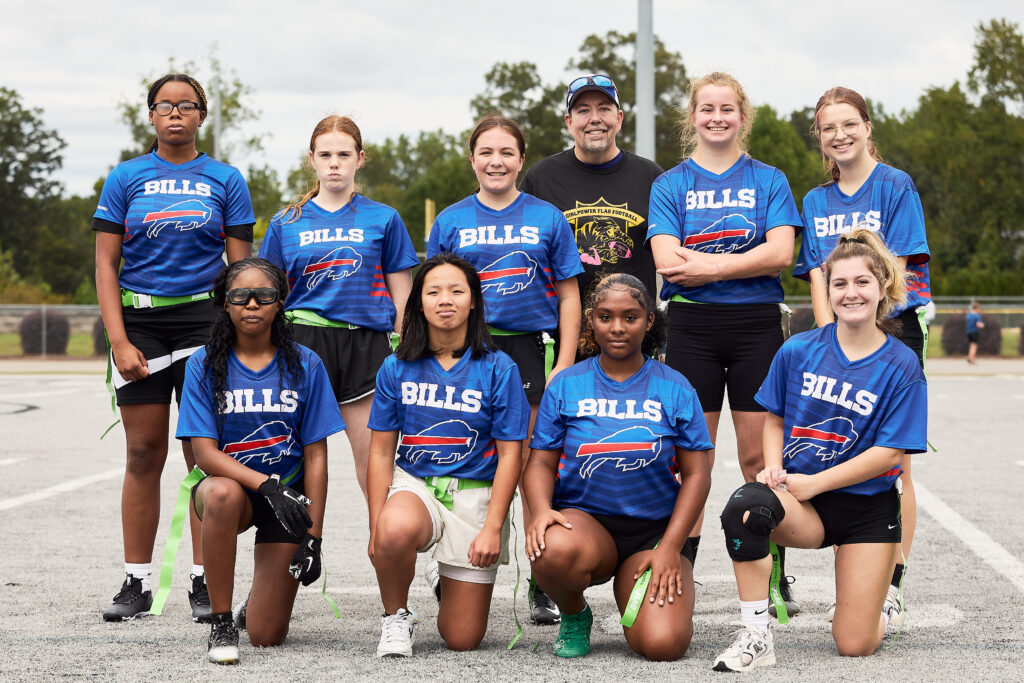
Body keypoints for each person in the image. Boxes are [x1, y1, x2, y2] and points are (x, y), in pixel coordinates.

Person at [711, 228, 927, 672]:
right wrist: (773, 467)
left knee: (854, 644)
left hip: (867, 509)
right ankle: (755, 633)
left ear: (882, 285)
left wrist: (814, 483)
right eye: (840, 284)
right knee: (745, 507)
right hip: (805, 506)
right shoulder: (799, 349)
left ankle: (880, 605)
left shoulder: (902, 363)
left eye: (862, 282)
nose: (851, 293)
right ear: (826, 290)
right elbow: (774, 418)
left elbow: (889, 455)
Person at [93, 73, 255, 622]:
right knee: (143, 453)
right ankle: (136, 581)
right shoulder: (126, 177)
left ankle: (205, 581)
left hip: (205, 324)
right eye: (165, 106)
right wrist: (118, 339)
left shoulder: (225, 178)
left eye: (186, 106)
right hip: (141, 323)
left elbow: (240, 270)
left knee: (203, 458)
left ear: (201, 115)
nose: (175, 115)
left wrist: (236, 334)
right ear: (151, 116)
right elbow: (105, 264)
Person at [646, 71, 801, 606]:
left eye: (727, 109)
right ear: (692, 117)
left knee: (760, 454)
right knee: (693, 457)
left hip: (757, 324)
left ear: (743, 116)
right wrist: (741, 262)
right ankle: (680, 569)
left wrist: (708, 266)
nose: (717, 117)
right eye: (706, 109)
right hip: (692, 328)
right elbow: (667, 262)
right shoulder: (670, 184)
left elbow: (781, 254)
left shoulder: (770, 179)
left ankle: (772, 568)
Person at [427, 115, 583, 618]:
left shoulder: (548, 217)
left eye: (507, 153)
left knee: (537, 467)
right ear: (472, 158)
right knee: (471, 461)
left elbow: (568, 293)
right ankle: (449, 564)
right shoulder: (450, 220)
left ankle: (545, 575)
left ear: (521, 159)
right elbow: (435, 294)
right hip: (471, 354)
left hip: (529, 352)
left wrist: (564, 360)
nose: (496, 161)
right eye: (486, 152)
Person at [794, 86, 932, 625]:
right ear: (820, 136)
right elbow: (817, 275)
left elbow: (897, 271)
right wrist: (829, 342)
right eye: (829, 128)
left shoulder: (895, 185)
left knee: (894, 466)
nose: (840, 135)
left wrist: (869, 341)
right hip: (836, 338)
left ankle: (891, 582)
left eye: (848, 124)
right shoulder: (813, 199)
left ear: (867, 126)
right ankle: (855, 583)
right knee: (837, 456)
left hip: (891, 330)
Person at [524, 272, 712, 660]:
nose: (618, 327)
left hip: (654, 535)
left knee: (663, 646)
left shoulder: (675, 386)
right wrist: (542, 512)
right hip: (585, 524)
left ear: (649, 321)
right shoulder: (566, 385)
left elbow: (697, 475)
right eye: (606, 316)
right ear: (591, 320)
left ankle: (642, 589)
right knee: (550, 548)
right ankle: (575, 614)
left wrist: (671, 548)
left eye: (630, 317)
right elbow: (539, 463)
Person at [175, 258, 344, 664]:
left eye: (264, 295)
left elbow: (316, 456)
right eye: (240, 296)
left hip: (287, 501)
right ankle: (220, 623)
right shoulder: (202, 364)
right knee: (218, 492)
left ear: (280, 303)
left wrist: (313, 537)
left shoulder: (306, 363)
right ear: (226, 304)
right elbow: (205, 454)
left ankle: (255, 603)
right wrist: (266, 484)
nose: (252, 304)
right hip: (237, 491)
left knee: (267, 635)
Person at [366, 253, 529, 657]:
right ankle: (396, 616)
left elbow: (512, 455)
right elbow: (382, 450)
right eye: (433, 291)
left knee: (462, 638)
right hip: (416, 485)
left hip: (473, 495)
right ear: (418, 301)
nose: (445, 300)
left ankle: (441, 572)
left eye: (457, 291)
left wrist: (493, 527)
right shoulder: (395, 366)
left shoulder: (499, 368)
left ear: (473, 300)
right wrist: (377, 527)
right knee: (394, 530)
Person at [259, 115, 417, 501]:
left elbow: (404, 297)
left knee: (373, 460)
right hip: (302, 344)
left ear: (359, 159)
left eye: (343, 154)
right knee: (296, 457)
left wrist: (406, 350)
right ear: (311, 159)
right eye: (325, 154)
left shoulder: (384, 218)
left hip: (365, 346)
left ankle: (383, 549)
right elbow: (268, 296)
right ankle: (301, 551)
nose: (334, 163)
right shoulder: (285, 222)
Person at [520, 74, 664, 303]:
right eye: (583, 110)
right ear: (569, 121)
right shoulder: (540, 178)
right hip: (560, 328)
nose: (595, 119)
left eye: (604, 109)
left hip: (633, 328)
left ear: (619, 119)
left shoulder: (652, 177)